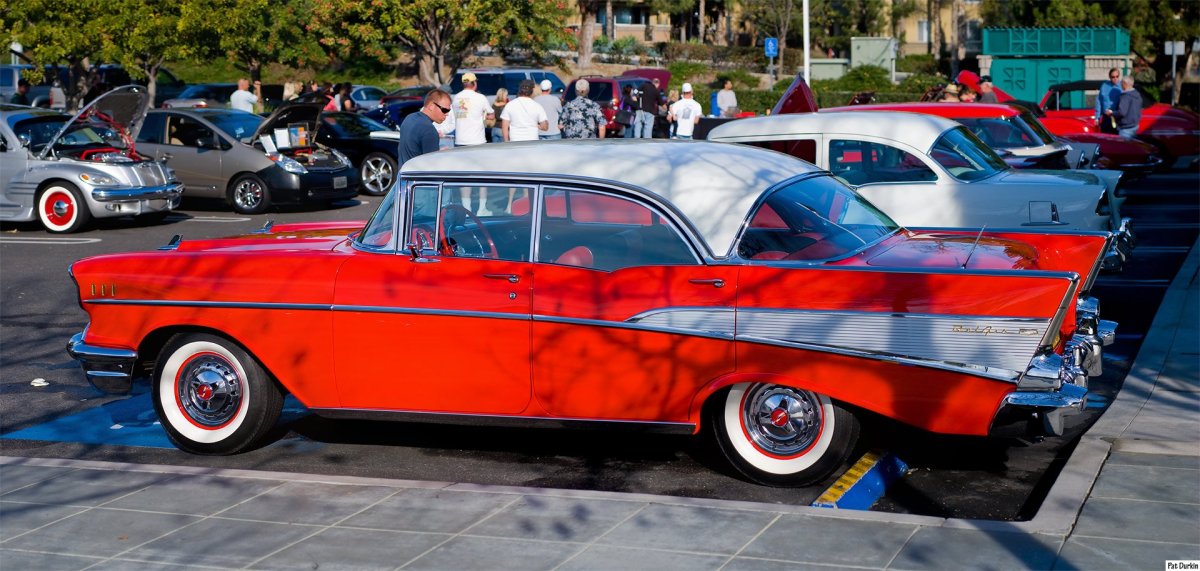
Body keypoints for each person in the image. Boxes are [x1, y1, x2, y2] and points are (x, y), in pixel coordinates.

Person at [450, 72, 494, 212]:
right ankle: (482, 208)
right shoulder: (480, 98)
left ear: (463, 83)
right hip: (477, 142)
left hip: (460, 141)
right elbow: (491, 114)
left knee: (464, 177)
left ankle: (466, 208)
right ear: (474, 83)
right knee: (482, 176)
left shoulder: (456, 98)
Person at [397, 89, 452, 168]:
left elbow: (414, 150)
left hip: (402, 175)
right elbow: (432, 167)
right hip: (417, 179)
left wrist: (437, 151)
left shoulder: (409, 118)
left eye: (449, 110)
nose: (447, 114)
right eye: (445, 110)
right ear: (431, 106)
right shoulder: (429, 130)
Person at [1096, 68, 1121, 134]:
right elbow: (1099, 101)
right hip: (1106, 116)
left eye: (1117, 76)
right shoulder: (1104, 85)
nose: (1115, 78)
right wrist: (1097, 117)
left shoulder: (1121, 86)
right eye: (1113, 77)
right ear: (1110, 77)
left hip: (1116, 117)